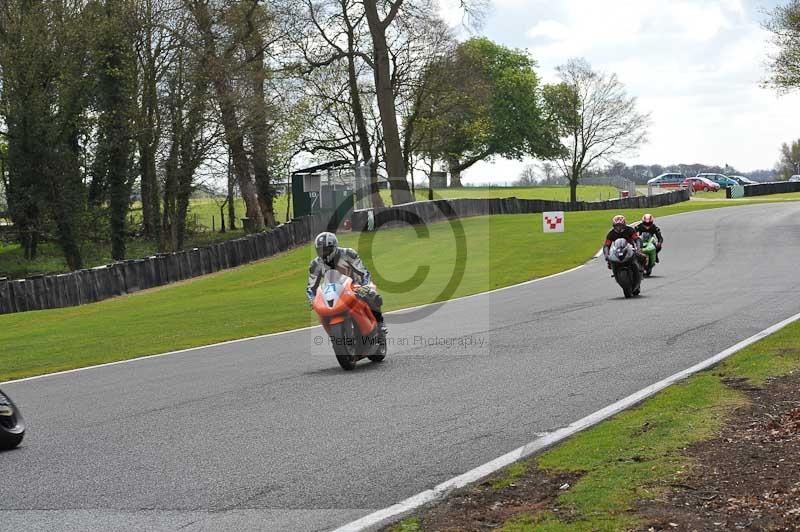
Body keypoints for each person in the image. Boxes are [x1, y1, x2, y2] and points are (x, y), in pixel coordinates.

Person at [307, 232, 387, 337]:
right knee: (320, 310)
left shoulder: (348, 254)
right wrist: (312, 299)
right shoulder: (315, 264)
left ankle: (380, 323)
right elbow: (311, 287)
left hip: (355, 285)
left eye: (326, 249)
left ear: (334, 246)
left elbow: (363, 272)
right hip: (332, 290)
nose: (324, 253)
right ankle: (333, 337)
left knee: (373, 294)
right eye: (320, 250)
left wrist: (366, 286)